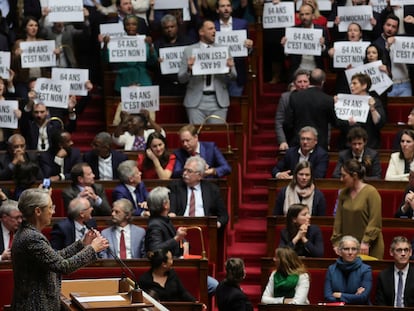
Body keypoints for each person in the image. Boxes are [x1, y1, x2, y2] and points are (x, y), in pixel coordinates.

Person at [11, 188, 109, 310]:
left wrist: (82, 244)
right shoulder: (32, 237)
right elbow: (63, 266)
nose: (53, 212)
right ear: (37, 211)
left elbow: (54, 257)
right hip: (35, 306)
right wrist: (92, 249)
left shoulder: (28, 233)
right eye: (50, 207)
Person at [177, 19, 237, 124]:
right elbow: (181, 79)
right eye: (210, 29)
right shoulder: (189, 51)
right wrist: (189, 70)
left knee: (217, 137)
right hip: (195, 102)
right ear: (201, 32)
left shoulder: (224, 50)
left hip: (218, 102)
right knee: (196, 137)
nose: (214, 31)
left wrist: (229, 69)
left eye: (214, 28)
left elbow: (234, 76)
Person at [331, 159, 384, 259]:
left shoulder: (371, 192)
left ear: (354, 176)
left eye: (344, 176)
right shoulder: (343, 193)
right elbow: (338, 220)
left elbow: (375, 221)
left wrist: (366, 241)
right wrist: (337, 242)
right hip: (348, 248)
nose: (341, 179)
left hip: (369, 247)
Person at [101, 14, 157, 94]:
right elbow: (105, 60)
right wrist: (105, 45)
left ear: (138, 26)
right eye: (128, 24)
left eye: (134, 24)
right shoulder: (117, 43)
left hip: (143, 80)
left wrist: (150, 46)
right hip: (123, 80)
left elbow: (153, 62)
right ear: (124, 27)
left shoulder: (144, 41)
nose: (131, 27)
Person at [168, 156, 229, 229]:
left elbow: (224, 216)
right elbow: (172, 209)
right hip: (181, 228)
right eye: (184, 170)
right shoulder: (175, 187)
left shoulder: (212, 190)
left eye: (189, 171)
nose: (184, 173)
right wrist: (172, 214)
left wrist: (217, 224)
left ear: (199, 176)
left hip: (205, 228)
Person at [284, 69, 338, 150]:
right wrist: (350, 122)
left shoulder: (295, 97)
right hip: (319, 145)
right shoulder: (328, 100)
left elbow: (287, 123)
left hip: (298, 143)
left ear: (309, 80)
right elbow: (335, 122)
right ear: (323, 82)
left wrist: (291, 139)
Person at [335, 73, 386, 150]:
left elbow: (379, 123)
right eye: (351, 84)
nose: (351, 86)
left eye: (354, 83)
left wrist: (372, 108)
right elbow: (337, 122)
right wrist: (336, 105)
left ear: (364, 86)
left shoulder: (375, 101)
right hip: (348, 145)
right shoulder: (345, 102)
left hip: (369, 145)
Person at [214, 0, 254, 96]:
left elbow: (247, 50)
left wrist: (250, 46)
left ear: (231, 8)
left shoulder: (242, 24)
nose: (226, 8)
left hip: (237, 71)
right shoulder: (212, 26)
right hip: (218, 73)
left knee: (235, 106)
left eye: (228, 6)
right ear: (217, 10)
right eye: (223, 6)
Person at [280, 4, 329, 79]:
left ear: (313, 15)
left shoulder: (321, 30)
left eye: (307, 14)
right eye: (302, 14)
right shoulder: (292, 31)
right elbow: (286, 56)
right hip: (298, 70)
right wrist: (285, 47)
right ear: (299, 16)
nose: (304, 17)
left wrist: (322, 46)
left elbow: (327, 53)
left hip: (315, 70)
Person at [153, 14, 195, 96]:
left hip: (185, 85)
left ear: (177, 27)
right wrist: (157, 63)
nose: (169, 29)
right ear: (162, 29)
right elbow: (152, 66)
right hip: (165, 85)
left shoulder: (188, 43)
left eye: (172, 27)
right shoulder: (157, 44)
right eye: (166, 28)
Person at [324, 235, 372, 304]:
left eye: (354, 249)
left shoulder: (366, 269)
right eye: (346, 249)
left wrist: (340, 295)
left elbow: (363, 297)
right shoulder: (331, 269)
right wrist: (354, 297)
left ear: (358, 252)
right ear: (339, 252)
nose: (350, 252)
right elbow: (328, 296)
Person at [373, 14, 412, 97]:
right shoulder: (376, 44)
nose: (390, 29)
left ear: (397, 29)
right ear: (383, 25)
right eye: (388, 25)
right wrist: (387, 47)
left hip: (405, 84)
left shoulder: (404, 40)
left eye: (394, 27)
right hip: (388, 85)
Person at [275, 69, 310, 151]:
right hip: (291, 137)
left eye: (305, 82)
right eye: (299, 82)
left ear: (309, 83)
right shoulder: (285, 98)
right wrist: (282, 141)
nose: (302, 85)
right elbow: (279, 121)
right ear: (294, 83)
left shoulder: (315, 98)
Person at [0, 134, 43, 199]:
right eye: (16, 147)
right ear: (9, 147)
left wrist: (25, 163)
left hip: (29, 191)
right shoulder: (2, 158)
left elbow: (40, 176)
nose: (19, 149)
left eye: (22, 146)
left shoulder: (31, 157)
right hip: (8, 192)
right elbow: (2, 177)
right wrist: (14, 162)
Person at [375, 236, 414, 307]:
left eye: (406, 250)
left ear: (410, 252)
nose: (403, 254)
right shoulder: (383, 276)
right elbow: (380, 303)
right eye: (399, 250)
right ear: (391, 252)